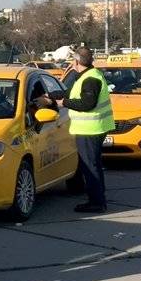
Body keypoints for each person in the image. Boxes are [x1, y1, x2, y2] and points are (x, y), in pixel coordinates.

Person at [55, 48, 114, 213]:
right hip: (94, 127)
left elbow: (87, 104)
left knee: (90, 166)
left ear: (76, 62)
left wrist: (63, 103)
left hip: (91, 129)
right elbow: (70, 93)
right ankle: (97, 197)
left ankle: (96, 202)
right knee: (92, 164)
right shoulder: (88, 76)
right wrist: (50, 96)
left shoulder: (90, 79)